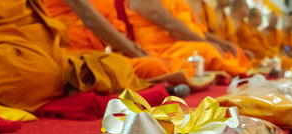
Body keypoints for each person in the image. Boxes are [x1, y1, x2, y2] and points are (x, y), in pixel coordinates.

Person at [0, 0, 148, 112]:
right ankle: (67, 85)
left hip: (47, 49)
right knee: (36, 75)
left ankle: (68, 84)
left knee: (115, 65)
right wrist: (134, 51)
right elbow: (90, 18)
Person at [44, 0, 198, 81]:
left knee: (181, 64)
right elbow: (90, 19)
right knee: (154, 65)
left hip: (109, 49)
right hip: (75, 55)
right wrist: (133, 51)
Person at [124, 0, 251, 76]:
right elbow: (169, 24)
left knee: (233, 50)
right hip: (161, 50)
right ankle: (232, 74)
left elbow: (198, 28)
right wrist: (207, 43)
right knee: (207, 50)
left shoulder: (179, 2)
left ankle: (230, 72)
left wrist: (220, 42)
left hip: (180, 44)